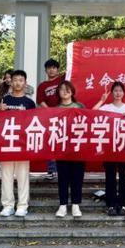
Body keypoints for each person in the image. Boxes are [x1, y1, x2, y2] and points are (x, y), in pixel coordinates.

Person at [0, 70, 36, 218]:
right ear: (11, 82)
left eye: (21, 80)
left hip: (22, 143)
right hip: (6, 142)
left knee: (23, 175)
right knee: (6, 175)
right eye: (15, 80)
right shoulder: (5, 99)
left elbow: (34, 123)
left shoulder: (29, 103)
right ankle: (8, 205)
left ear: (25, 83)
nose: (18, 83)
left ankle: (22, 205)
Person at [93, 81, 125, 216]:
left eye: (120, 90)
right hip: (109, 146)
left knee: (124, 177)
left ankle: (123, 205)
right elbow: (91, 114)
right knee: (110, 176)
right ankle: (111, 204)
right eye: (115, 90)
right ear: (112, 93)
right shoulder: (106, 107)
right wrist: (101, 100)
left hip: (124, 146)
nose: (117, 93)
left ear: (123, 93)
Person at [55, 81, 85, 218]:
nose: (65, 91)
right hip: (61, 147)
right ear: (58, 92)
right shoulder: (55, 109)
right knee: (63, 177)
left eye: (67, 89)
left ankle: (75, 204)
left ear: (72, 91)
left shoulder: (79, 106)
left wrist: (101, 102)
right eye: (62, 89)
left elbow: (90, 119)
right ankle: (62, 205)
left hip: (78, 147)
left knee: (77, 177)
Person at [37, 58, 64, 180]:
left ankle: (63, 169)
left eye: (54, 67)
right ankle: (52, 170)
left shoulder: (63, 81)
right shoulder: (42, 86)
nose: (51, 70)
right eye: (49, 68)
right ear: (46, 70)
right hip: (50, 117)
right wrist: (50, 111)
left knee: (63, 141)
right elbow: (40, 100)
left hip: (64, 115)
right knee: (51, 142)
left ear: (57, 69)